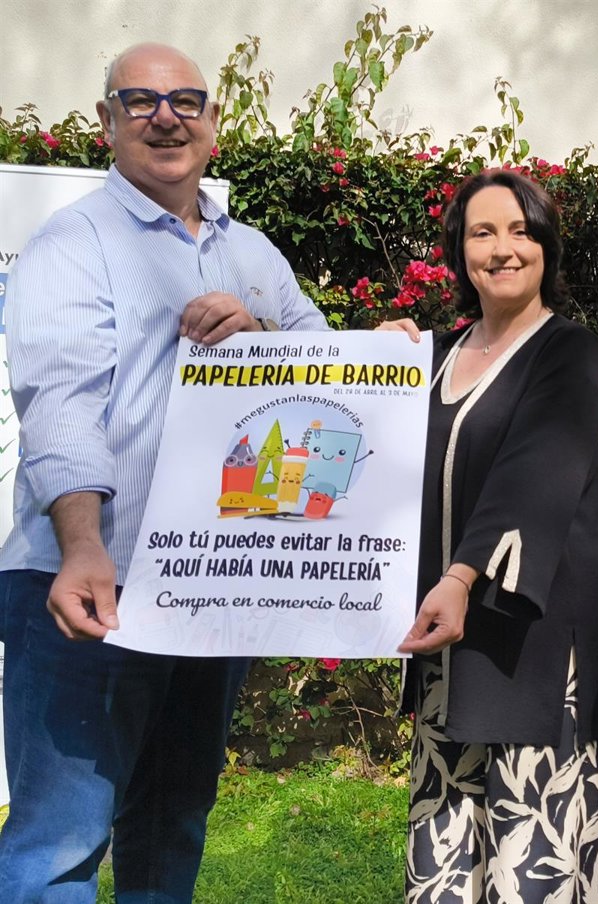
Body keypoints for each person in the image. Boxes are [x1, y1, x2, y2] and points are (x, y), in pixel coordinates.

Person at [0, 43, 329, 902]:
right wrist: (83, 545)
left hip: (206, 589)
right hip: (87, 584)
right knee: (58, 846)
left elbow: (329, 370)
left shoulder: (254, 252)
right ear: (106, 123)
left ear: (214, 125)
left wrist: (261, 334)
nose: (165, 117)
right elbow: (60, 401)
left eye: (185, 100)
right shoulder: (73, 243)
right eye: (139, 101)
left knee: (170, 823)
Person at [380, 169, 598, 903]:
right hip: (447, 647)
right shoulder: (431, 358)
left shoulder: (569, 352)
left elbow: (532, 475)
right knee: (448, 863)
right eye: (483, 232)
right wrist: (376, 362)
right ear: (459, 251)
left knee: (531, 867)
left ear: (546, 246)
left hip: (535, 649)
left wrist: (459, 578)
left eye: (521, 230)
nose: (503, 248)